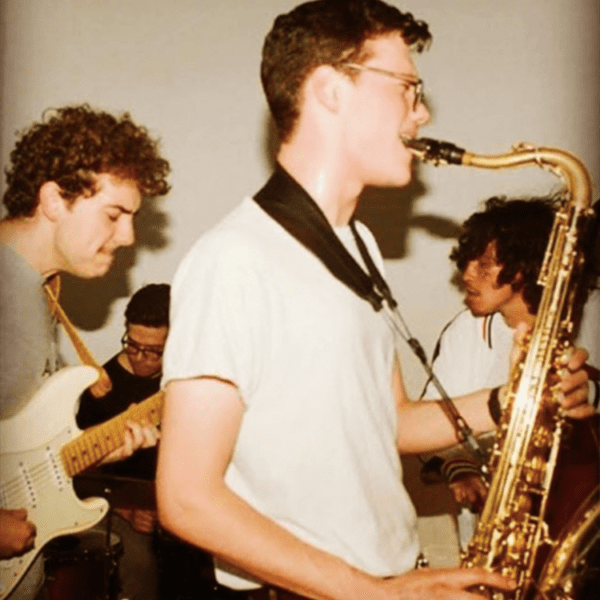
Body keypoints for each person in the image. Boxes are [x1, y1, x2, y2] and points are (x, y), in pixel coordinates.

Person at [155, 2, 593, 599]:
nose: (423, 112)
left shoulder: (358, 244)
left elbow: (391, 423)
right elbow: (186, 499)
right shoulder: (234, 260)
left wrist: (515, 397)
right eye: (408, 88)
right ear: (331, 90)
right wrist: (373, 592)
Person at [0, 104, 170, 600]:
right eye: (114, 215)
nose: (129, 236)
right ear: (54, 199)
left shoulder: (38, 294)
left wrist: (92, 451)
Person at [420, 196, 600, 548]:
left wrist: (590, 394)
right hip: (501, 535)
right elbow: (428, 424)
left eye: (484, 264)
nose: (466, 274)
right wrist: (458, 465)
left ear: (524, 266)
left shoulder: (592, 311)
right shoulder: (466, 331)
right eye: (467, 260)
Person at [76, 283, 215, 600]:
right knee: (141, 565)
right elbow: (81, 478)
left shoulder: (190, 381)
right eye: (132, 344)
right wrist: (125, 511)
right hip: (120, 511)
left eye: (153, 351)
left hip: (181, 507)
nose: (140, 358)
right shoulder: (101, 388)